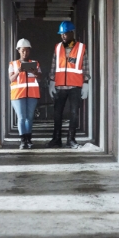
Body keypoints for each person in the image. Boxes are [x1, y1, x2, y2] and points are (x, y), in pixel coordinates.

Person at [47, 21, 90, 149]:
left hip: (75, 87)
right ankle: (56, 139)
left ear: (72, 33)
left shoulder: (81, 48)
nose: (63, 36)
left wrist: (86, 83)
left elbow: (85, 67)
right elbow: (54, 66)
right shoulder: (58, 47)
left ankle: (71, 139)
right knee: (57, 113)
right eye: (61, 34)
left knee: (74, 114)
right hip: (60, 87)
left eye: (65, 34)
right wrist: (51, 81)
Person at [9, 38, 42, 150]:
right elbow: (11, 78)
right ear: (18, 50)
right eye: (23, 50)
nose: (25, 53)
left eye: (27, 50)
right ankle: (23, 140)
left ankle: (29, 139)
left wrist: (35, 72)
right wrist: (18, 71)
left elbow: (40, 77)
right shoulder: (13, 64)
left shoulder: (35, 64)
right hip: (18, 95)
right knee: (21, 117)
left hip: (32, 94)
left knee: (29, 117)